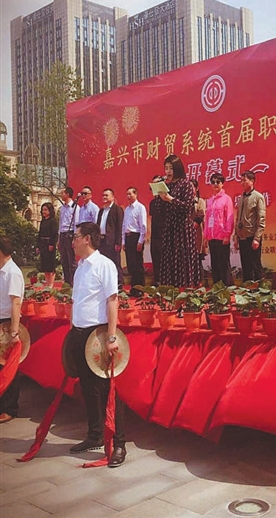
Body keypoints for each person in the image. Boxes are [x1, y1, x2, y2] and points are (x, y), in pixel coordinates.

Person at [69, 222, 126, 467]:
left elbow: (112, 301)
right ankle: (94, 435)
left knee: (106, 389)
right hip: (79, 333)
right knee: (87, 387)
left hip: (98, 335)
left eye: (76, 237)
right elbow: (78, 301)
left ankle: (119, 444)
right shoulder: (81, 266)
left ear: (88, 239)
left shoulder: (104, 265)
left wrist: (111, 337)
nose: (73, 242)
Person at [157, 155, 200, 287]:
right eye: (166, 168)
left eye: (171, 168)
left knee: (182, 260)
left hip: (182, 229)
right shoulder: (166, 185)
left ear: (177, 168)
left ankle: (186, 289)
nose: (168, 171)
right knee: (169, 260)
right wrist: (159, 195)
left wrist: (170, 199)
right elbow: (160, 210)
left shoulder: (185, 184)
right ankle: (171, 290)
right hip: (169, 228)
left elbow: (187, 207)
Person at [0, 236, 24, 423]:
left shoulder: (13, 272)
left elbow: (16, 302)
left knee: (8, 366)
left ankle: (10, 407)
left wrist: (14, 331)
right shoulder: (2, 271)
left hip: (8, 323)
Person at [234, 170, 266, 282]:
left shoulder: (258, 197)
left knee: (255, 265)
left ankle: (260, 289)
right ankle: (248, 289)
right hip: (242, 236)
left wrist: (257, 238)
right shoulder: (241, 198)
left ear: (252, 181)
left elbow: (261, 219)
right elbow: (238, 218)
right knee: (246, 265)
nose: (242, 183)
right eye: (241, 180)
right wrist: (236, 236)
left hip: (252, 236)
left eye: (244, 180)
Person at [204, 172, 234, 286]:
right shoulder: (210, 200)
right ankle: (216, 288)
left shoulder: (227, 199)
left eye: (218, 182)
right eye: (213, 182)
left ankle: (225, 287)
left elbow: (229, 218)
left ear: (222, 184)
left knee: (223, 264)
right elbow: (207, 219)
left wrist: (227, 235)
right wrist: (206, 235)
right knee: (215, 264)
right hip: (212, 237)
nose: (215, 184)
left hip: (222, 237)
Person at [122, 187, 147, 297]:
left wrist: (140, 241)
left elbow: (143, 225)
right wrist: (123, 241)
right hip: (128, 237)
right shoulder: (127, 209)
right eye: (127, 194)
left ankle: (140, 288)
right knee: (131, 264)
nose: (128, 196)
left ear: (136, 194)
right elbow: (124, 226)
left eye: (130, 194)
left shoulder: (140, 207)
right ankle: (133, 288)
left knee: (138, 264)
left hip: (136, 237)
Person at [97, 188, 124, 288]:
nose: (104, 197)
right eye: (103, 195)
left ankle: (119, 284)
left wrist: (118, 242)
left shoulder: (117, 210)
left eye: (106, 195)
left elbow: (120, 227)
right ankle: (106, 284)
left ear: (112, 197)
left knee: (115, 263)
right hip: (102, 240)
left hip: (112, 242)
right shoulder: (101, 210)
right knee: (104, 264)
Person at [58, 187, 80, 286]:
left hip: (70, 234)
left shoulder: (75, 207)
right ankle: (66, 283)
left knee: (71, 260)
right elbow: (60, 223)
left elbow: (76, 223)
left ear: (67, 194)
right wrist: (59, 238)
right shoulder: (62, 208)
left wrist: (75, 238)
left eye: (62, 193)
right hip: (62, 234)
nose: (61, 195)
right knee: (64, 260)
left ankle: (74, 283)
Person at [37, 202, 58, 288]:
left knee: (50, 264)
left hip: (50, 243)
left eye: (46, 210)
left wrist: (52, 244)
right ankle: (47, 283)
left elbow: (54, 233)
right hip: (43, 244)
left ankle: (51, 284)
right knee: (45, 264)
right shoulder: (43, 221)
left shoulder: (53, 221)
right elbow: (39, 234)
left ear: (50, 211)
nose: (44, 212)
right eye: (43, 210)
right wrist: (38, 246)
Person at [149, 176, 165, 286]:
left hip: (164, 235)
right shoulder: (152, 203)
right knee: (155, 258)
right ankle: (157, 281)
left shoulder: (166, 201)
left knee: (164, 260)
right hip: (155, 235)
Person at [190, 179, 206, 281]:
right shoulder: (185, 201)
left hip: (196, 233)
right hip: (186, 234)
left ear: (196, 188)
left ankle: (199, 281)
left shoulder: (200, 201)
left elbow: (200, 216)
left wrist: (190, 226)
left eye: (192, 187)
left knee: (197, 258)